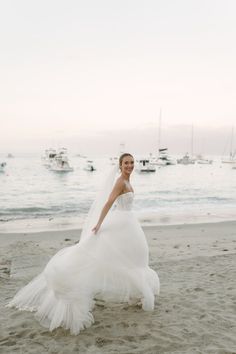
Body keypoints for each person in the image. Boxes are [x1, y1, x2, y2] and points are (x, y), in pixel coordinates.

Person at [6, 153, 160, 335]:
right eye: (126, 163)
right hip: (121, 223)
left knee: (134, 258)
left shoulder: (127, 181)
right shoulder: (120, 182)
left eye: (132, 162)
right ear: (120, 165)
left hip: (128, 224)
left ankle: (135, 293)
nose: (130, 165)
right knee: (108, 257)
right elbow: (108, 203)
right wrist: (99, 224)